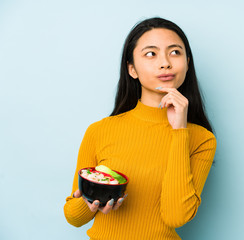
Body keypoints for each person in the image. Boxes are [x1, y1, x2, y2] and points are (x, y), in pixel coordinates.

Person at [64, 17, 217, 240]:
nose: (165, 63)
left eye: (175, 52)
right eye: (151, 54)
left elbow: (176, 216)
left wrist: (179, 131)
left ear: (187, 63)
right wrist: (91, 201)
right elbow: (72, 217)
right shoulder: (100, 130)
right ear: (132, 69)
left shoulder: (201, 139)